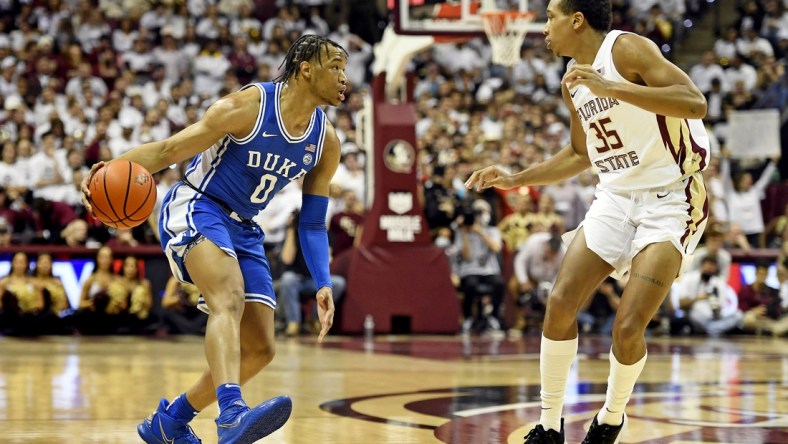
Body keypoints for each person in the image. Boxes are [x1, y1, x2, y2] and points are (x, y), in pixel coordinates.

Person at [81, 34, 348, 444]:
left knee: (260, 348)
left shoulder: (325, 141)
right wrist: (109, 170)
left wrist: (324, 282)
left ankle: (169, 423)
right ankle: (231, 414)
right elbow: (169, 150)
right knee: (228, 297)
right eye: (336, 66)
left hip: (245, 227)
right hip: (199, 204)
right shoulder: (247, 107)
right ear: (306, 68)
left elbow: (313, 223)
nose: (344, 77)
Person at [465, 1, 710, 442]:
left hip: (671, 198)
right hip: (615, 196)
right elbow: (581, 154)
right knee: (559, 302)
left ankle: (611, 418)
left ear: (576, 20)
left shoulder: (627, 50)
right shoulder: (572, 83)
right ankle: (548, 426)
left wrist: (614, 89)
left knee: (628, 325)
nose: (543, 28)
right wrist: (516, 177)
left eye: (549, 16)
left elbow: (695, 103)